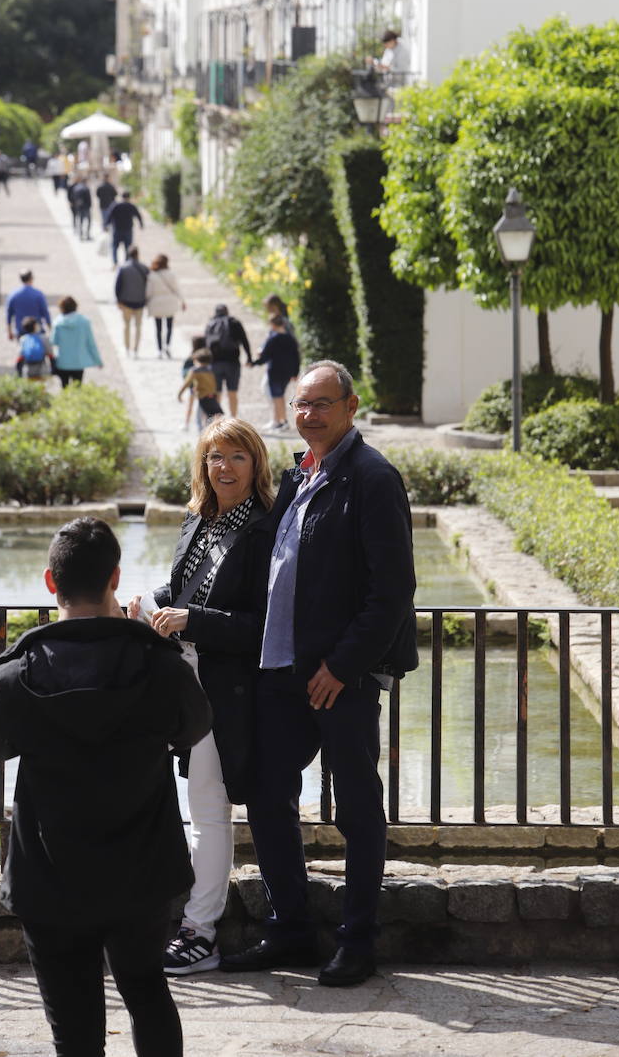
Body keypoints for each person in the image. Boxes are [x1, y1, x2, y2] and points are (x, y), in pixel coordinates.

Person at [0, 517, 212, 1057]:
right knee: (147, 989)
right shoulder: (160, 666)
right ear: (115, 578)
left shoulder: (19, 674)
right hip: (141, 867)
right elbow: (192, 728)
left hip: (51, 873)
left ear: (51, 583)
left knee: (72, 1023)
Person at [220, 359, 417, 987]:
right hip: (281, 672)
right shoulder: (299, 475)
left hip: (340, 679)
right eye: (301, 404)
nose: (309, 414)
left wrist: (343, 665)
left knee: (357, 809)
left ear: (351, 407)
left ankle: (357, 941)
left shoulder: (372, 478)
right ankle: (292, 930)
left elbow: (391, 594)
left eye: (322, 403)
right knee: (266, 797)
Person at [128, 420, 275, 975]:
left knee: (210, 813)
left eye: (236, 457)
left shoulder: (264, 528)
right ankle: (196, 925)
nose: (224, 468)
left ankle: (200, 931)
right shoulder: (199, 520)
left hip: (229, 691)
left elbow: (265, 625)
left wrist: (196, 620)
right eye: (215, 457)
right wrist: (149, 600)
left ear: (254, 463)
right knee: (200, 810)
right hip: (186, 683)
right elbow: (183, 590)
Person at [254, 314, 301, 432]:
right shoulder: (290, 338)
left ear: (273, 325)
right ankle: (281, 421)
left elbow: (265, 356)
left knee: (276, 397)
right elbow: (296, 356)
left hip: (275, 371)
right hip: (287, 372)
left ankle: (282, 422)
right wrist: (295, 372)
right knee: (281, 396)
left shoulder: (273, 338)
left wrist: (255, 362)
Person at [204, 304, 253, 418]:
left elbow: (206, 344)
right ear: (227, 311)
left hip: (215, 363)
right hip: (233, 363)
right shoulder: (234, 323)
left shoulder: (210, 324)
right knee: (232, 392)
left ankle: (216, 420)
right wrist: (249, 358)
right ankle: (233, 418)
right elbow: (244, 341)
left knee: (217, 393)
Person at [51, 295, 102, 386]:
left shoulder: (57, 322)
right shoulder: (84, 322)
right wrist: (98, 361)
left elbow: (54, 341)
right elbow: (91, 344)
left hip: (63, 361)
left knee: (65, 388)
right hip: (78, 362)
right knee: (77, 388)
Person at [146, 253, 185, 358]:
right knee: (169, 327)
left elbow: (148, 292)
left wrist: (146, 302)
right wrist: (183, 301)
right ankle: (167, 345)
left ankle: (159, 349)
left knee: (158, 328)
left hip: (156, 303)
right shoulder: (171, 274)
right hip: (170, 303)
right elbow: (177, 289)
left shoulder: (152, 275)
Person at [114, 245, 149, 357]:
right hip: (140, 301)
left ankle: (127, 347)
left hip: (126, 302)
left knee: (126, 326)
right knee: (138, 326)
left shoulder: (123, 268)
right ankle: (136, 349)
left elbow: (118, 286)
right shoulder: (144, 268)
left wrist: (118, 300)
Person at [177, 349, 223, 422]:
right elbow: (216, 384)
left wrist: (179, 394)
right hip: (212, 396)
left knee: (202, 416)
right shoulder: (212, 370)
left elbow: (187, 383)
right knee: (213, 415)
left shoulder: (195, 371)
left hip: (203, 397)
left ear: (197, 360)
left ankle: (204, 430)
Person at [6, 269, 51, 341]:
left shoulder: (13, 295)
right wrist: (50, 328)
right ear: (31, 278)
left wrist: (9, 331)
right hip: (37, 330)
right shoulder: (38, 294)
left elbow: (9, 315)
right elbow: (45, 313)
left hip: (21, 330)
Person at [104, 190, 144, 267]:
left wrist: (106, 225)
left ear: (122, 197)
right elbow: (138, 215)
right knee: (128, 247)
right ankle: (126, 262)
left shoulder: (116, 205)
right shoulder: (131, 206)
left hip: (117, 229)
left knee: (115, 247)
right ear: (129, 197)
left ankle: (115, 262)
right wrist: (141, 224)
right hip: (128, 230)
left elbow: (109, 215)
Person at [180, 335, 207, 429]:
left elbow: (184, 372)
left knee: (190, 404)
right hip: (203, 387)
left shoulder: (191, 357)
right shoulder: (206, 357)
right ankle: (203, 424)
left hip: (193, 386)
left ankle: (186, 423)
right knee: (202, 407)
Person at [69, 176, 93, 240]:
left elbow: (72, 197)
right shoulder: (85, 188)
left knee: (80, 221)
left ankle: (81, 234)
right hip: (85, 207)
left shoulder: (76, 188)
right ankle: (87, 234)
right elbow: (89, 199)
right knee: (88, 221)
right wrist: (90, 206)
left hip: (78, 207)